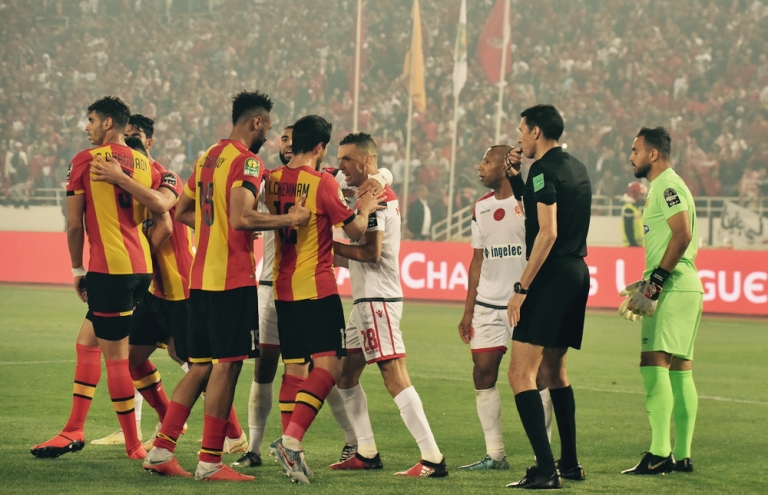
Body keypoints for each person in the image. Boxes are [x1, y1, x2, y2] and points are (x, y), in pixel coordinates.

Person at [142, 90, 310, 482]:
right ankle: (209, 461)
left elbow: (182, 210)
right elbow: (241, 218)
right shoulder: (247, 161)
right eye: (268, 127)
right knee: (227, 367)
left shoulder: (207, 157)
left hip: (199, 280)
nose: (268, 135)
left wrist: (213, 227)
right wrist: (290, 220)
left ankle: (161, 450)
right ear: (256, 122)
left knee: (199, 367)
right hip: (230, 281)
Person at [31, 96, 171, 460]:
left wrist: (77, 270)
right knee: (87, 343)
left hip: (110, 271)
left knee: (117, 359)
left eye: (91, 119)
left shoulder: (86, 160)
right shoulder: (146, 164)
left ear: (108, 123)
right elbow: (163, 211)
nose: (87, 126)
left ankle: (134, 445)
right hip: (141, 268)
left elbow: (74, 225)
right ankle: (73, 428)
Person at [266, 115, 382, 485]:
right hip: (316, 287)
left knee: (295, 370)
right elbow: (356, 230)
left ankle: (291, 450)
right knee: (330, 367)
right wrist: (365, 208)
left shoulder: (272, 179)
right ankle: (290, 442)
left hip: (282, 288)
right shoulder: (322, 183)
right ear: (320, 146)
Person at [328, 132, 448, 477]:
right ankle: (366, 451)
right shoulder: (370, 190)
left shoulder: (377, 198)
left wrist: (326, 246)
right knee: (345, 375)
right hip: (365, 300)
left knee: (394, 375)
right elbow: (361, 256)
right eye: (339, 159)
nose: (341, 166)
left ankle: (432, 458)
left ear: (367, 160)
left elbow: (370, 252)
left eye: (348, 159)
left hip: (377, 300)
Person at [504, 104, 591, 489]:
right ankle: (568, 463)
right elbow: (544, 210)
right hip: (577, 273)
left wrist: (521, 288)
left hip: (551, 275)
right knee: (554, 370)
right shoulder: (576, 167)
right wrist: (518, 180)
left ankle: (545, 470)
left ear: (536, 131)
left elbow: (548, 231)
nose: (519, 138)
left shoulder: (543, 170)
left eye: (522, 130)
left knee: (520, 373)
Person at [86, 114, 184, 448]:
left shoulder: (162, 175)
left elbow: (165, 220)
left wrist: (136, 254)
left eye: (136, 135)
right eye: (126, 134)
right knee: (130, 358)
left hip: (174, 285)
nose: (128, 140)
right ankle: (135, 427)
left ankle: (232, 434)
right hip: (149, 287)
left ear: (149, 141)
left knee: (191, 360)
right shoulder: (124, 173)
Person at [457, 145, 553, 471]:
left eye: (486, 161)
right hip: (487, 303)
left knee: (537, 375)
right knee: (482, 372)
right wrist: (468, 311)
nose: (479, 166)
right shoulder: (480, 207)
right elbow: (477, 260)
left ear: (504, 166)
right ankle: (495, 454)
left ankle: (544, 454)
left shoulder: (528, 204)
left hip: (524, 302)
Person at [619, 127, 703, 475]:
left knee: (653, 362)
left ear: (653, 154)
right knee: (681, 369)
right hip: (685, 285)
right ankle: (681, 455)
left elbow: (682, 235)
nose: (631, 157)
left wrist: (655, 281)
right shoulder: (668, 185)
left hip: (673, 286)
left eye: (635, 150)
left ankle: (658, 454)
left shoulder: (667, 186)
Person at [232, 125, 310, 469]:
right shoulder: (266, 179)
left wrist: (381, 176)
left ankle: (293, 448)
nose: (288, 143)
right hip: (267, 286)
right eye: (284, 138)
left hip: (302, 288)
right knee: (263, 369)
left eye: (294, 138)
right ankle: (255, 449)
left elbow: (375, 175)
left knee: (301, 370)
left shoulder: (320, 179)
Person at [621, 181, 648, 247]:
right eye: (641, 195)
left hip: (636, 245)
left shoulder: (634, 207)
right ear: (635, 194)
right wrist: (633, 244)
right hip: (631, 246)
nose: (642, 197)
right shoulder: (628, 209)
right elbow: (628, 229)